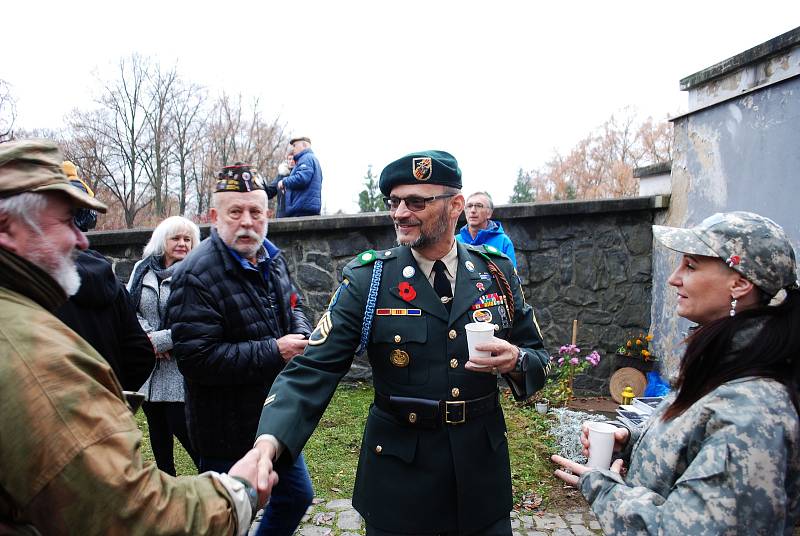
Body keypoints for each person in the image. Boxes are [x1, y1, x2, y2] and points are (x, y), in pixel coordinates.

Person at [254, 150, 552, 535]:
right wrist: (268, 443)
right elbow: (314, 365)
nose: (399, 213)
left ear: (455, 205)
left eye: (416, 202)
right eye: (394, 202)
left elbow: (540, 359)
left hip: (481, 480)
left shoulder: (495, 272)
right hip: (399, 484)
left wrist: (515, 360)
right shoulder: (369, 279)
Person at [0, 139, 277, 535]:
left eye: (256, 211)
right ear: (6, 228)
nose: (81, 240)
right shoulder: (33, 354)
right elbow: (129, 512)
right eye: (65, 222)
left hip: (179, 384)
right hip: (164, 390)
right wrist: (239, 493)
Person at [552, 211, 800, 534]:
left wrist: (604, 489)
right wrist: (630, 441)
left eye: (691, 266)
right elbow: (695, 436)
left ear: (740, 283)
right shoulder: (724, 366)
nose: (674, 278)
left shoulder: (752, 410)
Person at [168, 162, 314, 536]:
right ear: (215, 216)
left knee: (296, 495)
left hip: (273, 418)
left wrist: (300, 335)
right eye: (235, 212)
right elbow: (196, 360)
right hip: (224, 429)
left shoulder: (272, 258)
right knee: (228, 518)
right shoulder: (194, 275)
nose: (247, 222)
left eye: (255, 211)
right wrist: (275, 351)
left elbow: (295, 305)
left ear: (268, 214)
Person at [55, 161, 155, 391]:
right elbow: (140, 353)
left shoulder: (29, 286)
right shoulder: (109, 280)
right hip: (105, 414)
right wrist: (110, 395)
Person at [127, 215, 201, 475]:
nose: (182, 243)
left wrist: (157, 342)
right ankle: (168, 493)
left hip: (181, 369)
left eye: (187, 239)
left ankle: (221, 489)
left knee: (190, 437)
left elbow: (197, 319)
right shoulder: (142, 270)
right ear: (162, 241)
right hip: (150, 372)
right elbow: (129, 310)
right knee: (159, 439)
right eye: (176, 238)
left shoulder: (197, 272)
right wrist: (148, 341)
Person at [456, 191, 517, 267]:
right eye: (469, 206)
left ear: (489, 213)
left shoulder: (503, 242)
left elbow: (511, 276)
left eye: (479, 206)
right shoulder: (455, 241)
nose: (473, 210)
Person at [276, 136, 323, 217]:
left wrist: (284, 182)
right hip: (307, 208)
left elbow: (302, 179)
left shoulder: (306, 158)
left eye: (294, 145)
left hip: (302, 210)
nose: (293, 148)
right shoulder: (312, 159)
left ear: (304, 145)